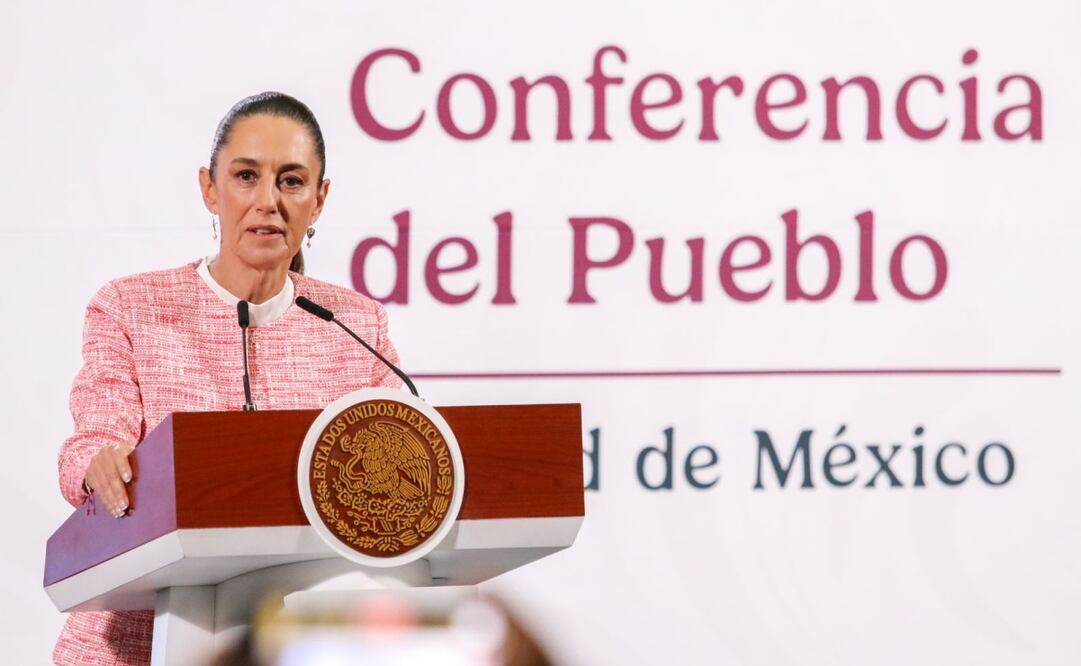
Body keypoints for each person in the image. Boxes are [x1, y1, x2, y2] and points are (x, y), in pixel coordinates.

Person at [52, 92, 403, 666]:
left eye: (291, 181)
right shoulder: (131, 307)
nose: (268, 201)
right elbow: (90, 446)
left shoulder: (355, 323)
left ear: (320, 199)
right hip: (132, 647)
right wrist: (100, 464)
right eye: (246, 176)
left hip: (302, 642)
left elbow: (402, 451)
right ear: (209, 188)